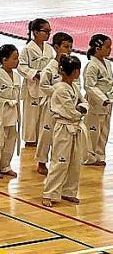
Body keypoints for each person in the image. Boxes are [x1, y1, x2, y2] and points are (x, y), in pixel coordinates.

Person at [42, 55, 88, 207]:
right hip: (63, 128)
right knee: (60, 161)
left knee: (75, 161)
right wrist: (80, 111)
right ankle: (49, 193)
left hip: (75, 127)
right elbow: (70, 112)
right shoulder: (60, 89)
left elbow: (84, 103)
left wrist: (81, 108)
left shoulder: (74, 87)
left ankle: (68, 191)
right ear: (75, 72)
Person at [36, 32, 74, 175]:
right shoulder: (49, 68)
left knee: (61, 135)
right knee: (46, 133)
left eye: (70, 47)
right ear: (56, 47)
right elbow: (43, 86)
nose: (69, 50)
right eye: (66, 46)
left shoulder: (70, 66)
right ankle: (41, 162)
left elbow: (75, 84)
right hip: (50, 106)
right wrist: (59, 91)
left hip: (65, 106)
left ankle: (58, 161)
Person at [18, 18, 53, 149]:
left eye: (49, 31)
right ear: (36, 32)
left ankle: (41, 139)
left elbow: (52, 65)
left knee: (44, 116)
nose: (48, 34)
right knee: (31, 116)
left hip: (45, 86)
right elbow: (21, 66)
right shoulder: (28, 49)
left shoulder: (49, 49)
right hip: (32, 86)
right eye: (46, 31)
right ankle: (30, 140)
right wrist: (35, 73)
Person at [0, 44, 21, 178]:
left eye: (17, 58)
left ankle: (5, 165)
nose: (17, 61)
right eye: (14, 58)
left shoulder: (17, 76)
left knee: (10, 140)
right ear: (4, 60)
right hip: (0, 112)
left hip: (13, 111)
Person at [82, 34, 112, 166]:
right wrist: (103, 98)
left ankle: (100, 156)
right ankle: (88, 156)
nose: (110, 49)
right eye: (107, 47)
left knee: (104, 131)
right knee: (92, 131)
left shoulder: (108, 64)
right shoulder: (92, 65)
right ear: (98, 48)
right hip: (95, 103)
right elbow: (89, 86)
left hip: (108, 102)